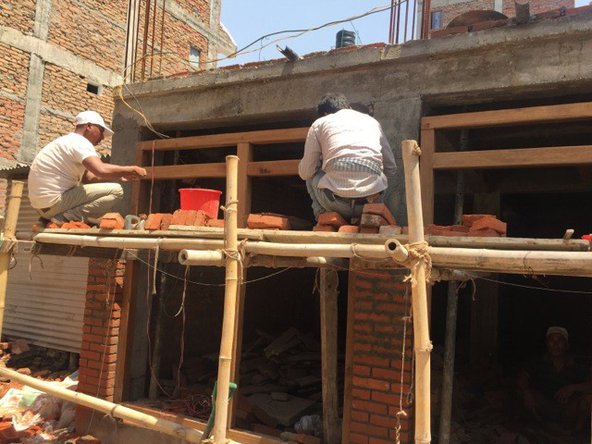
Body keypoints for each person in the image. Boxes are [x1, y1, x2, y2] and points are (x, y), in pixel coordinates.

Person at [28, 110, 147, 226]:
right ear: (89, 126)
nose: (102, 138)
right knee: (116, 191)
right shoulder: (80, 142)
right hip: (54, 203)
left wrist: (119, 175)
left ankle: (48, 219)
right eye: (101, 131)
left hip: (42, 208)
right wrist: (131, 169)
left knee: (94, 188)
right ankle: (64, 218)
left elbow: (89, 178)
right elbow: (101, 170)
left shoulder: (66, 142)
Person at [298, 93, 397, 222]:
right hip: (371, 203)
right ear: (348, 107)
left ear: (325, 113)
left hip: (335, 203)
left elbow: (306, 172)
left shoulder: (320, 123)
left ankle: (323, 218)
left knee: (309, 174)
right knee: (380, 177)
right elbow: (391, 168)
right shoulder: (372, 122)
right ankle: (372, 216)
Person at [516, 326, 592, 431]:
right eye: (551, 341)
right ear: (547, 345)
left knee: (588, 399)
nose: (555, 345)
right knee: (522, 393)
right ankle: (539, 426)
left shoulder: (577, 364)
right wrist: (526, 391)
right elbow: (522, 377)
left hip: (568, 410)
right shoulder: (538, 362)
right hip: (543, 407)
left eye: (560, 341)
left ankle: (574, 432)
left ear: (567, 345)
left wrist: (572, 388)